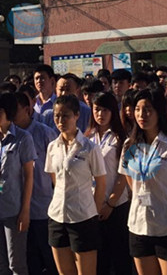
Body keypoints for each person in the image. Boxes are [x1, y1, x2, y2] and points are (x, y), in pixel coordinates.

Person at [120, 89, 167, 275]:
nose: (142, 115)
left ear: (158, 112)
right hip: (139, 224)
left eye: (148, 110)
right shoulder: (129, 145)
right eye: (138, 109)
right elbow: (128, 177)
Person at [46, 94, 106, 275]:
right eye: (57, 116)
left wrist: (93, 212)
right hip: (57, 215)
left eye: (65, 115)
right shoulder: (53, 147)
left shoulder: (90, 147)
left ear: (76, 115)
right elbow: (54, 178)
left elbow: (101, 183)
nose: (60, 120)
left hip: (83, 218)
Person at [0, 91, 36, 275]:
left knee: (16, 264)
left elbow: (29, 176)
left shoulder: (23, 138)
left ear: (9, 112)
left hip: (14, 207)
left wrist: (25, 210)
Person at [85, 92, 131, 275]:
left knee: (120, 258)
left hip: (116, 205)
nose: (100, 114)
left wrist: (111, 203)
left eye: (105, 110)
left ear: (113, 111)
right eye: (97, 109)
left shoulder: (121, 139)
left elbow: (123, 175)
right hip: (92, 205)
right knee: (100, 260)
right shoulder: (88, 137)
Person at [14, 91, 58, 275]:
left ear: (27, 110)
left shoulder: (45, 133)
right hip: (17, 208)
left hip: (43, 207)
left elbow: (57, 171)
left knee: (50, 258)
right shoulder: (9, 135)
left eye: (14, 110)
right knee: (29, 259)